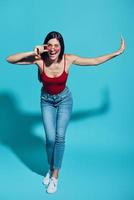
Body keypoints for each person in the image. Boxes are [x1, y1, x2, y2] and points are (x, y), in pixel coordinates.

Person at [6, 31, 125, 193]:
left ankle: (55, 175)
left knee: (59, 137)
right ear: (45, 47)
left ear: (61, 47)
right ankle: (50, 167)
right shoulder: (39, 60)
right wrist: (33, 52)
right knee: (50, 139)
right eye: (50, 45)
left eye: (56, 45)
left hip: (64, 100)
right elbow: (10, 59)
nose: (53, 49)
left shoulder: (68, 59)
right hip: (46, 101)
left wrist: (116, 53)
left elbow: (95, 61)